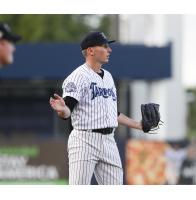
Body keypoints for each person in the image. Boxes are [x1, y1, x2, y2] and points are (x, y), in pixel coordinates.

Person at [49, 31, 155, 185]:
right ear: (91, 51)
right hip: (84, 140)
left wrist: (138, 125)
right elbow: (68, 109)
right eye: (105, 46)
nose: (109, 50)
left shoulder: (109, 77)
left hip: (108, 140)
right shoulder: (78, 76)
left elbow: (113, 113)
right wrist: (62, 109)